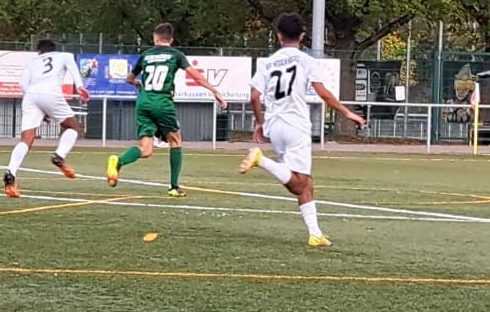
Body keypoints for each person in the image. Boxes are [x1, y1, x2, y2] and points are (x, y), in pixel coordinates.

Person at [238, 13, 366, 248]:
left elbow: (254, 96)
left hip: (275, 125)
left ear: (278, 36)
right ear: (303, 36)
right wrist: (347, 112)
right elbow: (322, 92)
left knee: (305, 182)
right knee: (298, 183)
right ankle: (260, 160)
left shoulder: (267, 63)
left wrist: (259, 122)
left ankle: (315, 233)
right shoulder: (306, 61)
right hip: (296, 124)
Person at [106, 22, 226, 197]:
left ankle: (118, 161)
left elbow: (129, 79)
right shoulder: (176, 55)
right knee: (175, 141)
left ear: (155, 38)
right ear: (171, 39)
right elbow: (196, 76)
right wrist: (215, 91)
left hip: (143, 102)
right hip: (162, 102)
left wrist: (137, 83)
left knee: (146, 149)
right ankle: (174, 187)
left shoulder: (146, 55)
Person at [3, 39, 90, 197]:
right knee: (72, 127)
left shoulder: (32, 62)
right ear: (53, 49)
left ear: (39, 51)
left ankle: (10, 172)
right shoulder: (64, 56)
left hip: (30, 96)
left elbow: (23, 84)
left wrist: (38, 106)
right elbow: (72, 66)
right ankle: (59, 155)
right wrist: (80, 86)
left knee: (26, 139)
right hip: (50, 93)